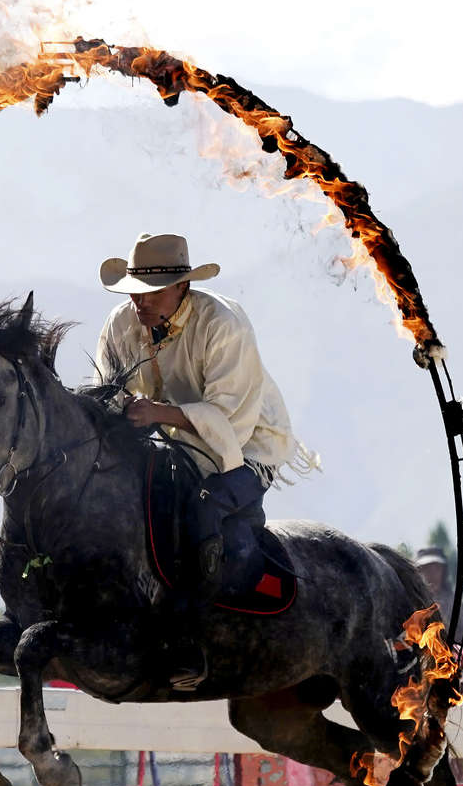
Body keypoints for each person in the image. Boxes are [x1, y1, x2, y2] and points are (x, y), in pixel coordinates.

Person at [95, 232, 317, 686]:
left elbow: (230, 422)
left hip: (248, 445)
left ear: (183, 289)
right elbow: (105, 391)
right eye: (136, 291)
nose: (140, 302)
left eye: (153, 291)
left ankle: (191, 642)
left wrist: (157, 413)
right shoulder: (120, 324)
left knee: (205, 506)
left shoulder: (224, 324)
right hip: (167, 440)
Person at [414, 545, 463, 647]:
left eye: (437, 568)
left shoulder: (457, 606)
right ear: (418, 573)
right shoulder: (410, 604)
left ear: (444, 571)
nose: (432, 574)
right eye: (427, 569)